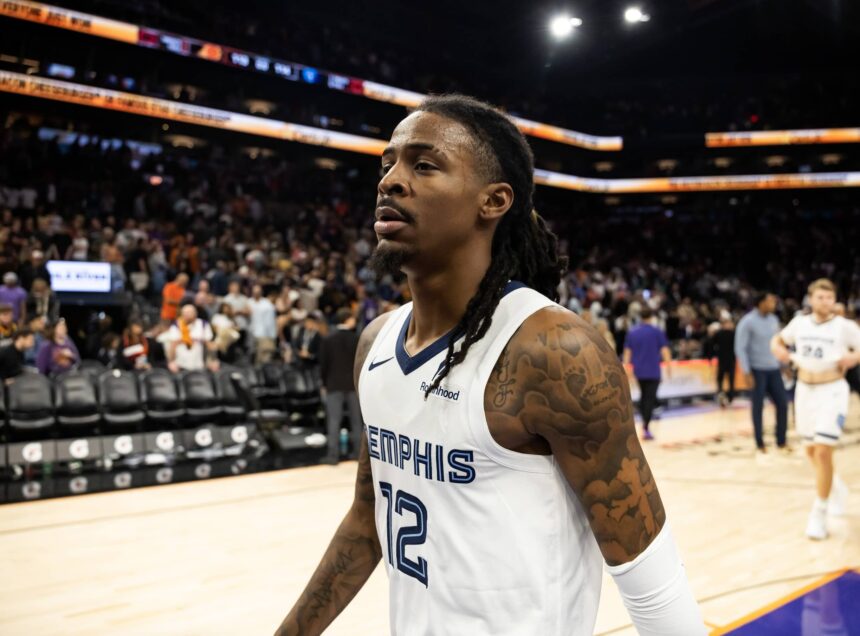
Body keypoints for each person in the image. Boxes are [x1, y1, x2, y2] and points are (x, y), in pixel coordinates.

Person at [276, 95, 704, 636]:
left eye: (424, 165)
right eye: (388, 164)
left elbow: (649, 578)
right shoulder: (376, 342)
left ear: (493, 200)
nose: (390, 181)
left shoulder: (552, 351)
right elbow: (368, 524)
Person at [771, 279, 860, 540]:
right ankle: (836, 487)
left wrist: (852, 358)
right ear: (811, 299)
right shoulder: (799, 323)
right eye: (820, 297)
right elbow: (778, 340)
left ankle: (819, 513)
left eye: (830, 298)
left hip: (832, 390)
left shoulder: (844, 326)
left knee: (822, 451)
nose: (826, 302)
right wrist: (778, 350)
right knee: (811, 450)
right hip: (804, 391)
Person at [735, 292, 789, 454]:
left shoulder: (774, 320)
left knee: (783, 404)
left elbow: (777, 345)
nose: (773, 304)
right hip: (757, 370)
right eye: (770, 301)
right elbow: (740, 347)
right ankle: (760, 443)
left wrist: (783, 364)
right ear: (760, 303)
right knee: (758, 407)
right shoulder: (747, 321)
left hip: (773, 369)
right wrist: (746, 371)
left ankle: (781, 441)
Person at [319, 307, 362, 464]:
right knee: (356, 421)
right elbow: (360, 363)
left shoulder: (328, 339)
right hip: (353, 384)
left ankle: (333, 456)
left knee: (334, 420)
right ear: (347, 319)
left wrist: (324, 383)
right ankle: (358, 453)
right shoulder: (357, 338)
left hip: (334, 384)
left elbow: (323, 365)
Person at [623, 306, 672, 440]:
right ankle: (646, 426)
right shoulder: (657, 332)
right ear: (652, 317)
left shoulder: (633, 333)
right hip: (653, 371)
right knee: (649, 398)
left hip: (639, 371)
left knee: (645, 396)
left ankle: (644, 423)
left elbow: (627, 353)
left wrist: (627, 368)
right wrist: (668, 367)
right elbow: (665, 351)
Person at [165, 303, 217, 372]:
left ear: (195, 313)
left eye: (190, 312)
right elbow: (172, 345)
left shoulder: (203, 324)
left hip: (199, 364)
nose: (187, 314)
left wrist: (213, 360)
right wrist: (171, 362)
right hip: (180, 364)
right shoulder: (176, 325)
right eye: (185, 312)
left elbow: (209, 344)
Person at [710, 315, 737, 406]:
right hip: (725, 360)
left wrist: (713, 354)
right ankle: (724, 396)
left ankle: (728, 396)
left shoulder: (730, 334)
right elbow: (711, 344)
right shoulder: (728, 333)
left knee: (727, 379)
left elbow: (711, 344)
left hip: (727, 359)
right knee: (724, 379)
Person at [248, 284, 277, 364]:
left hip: (264, 334)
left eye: (258, 292)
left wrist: (272, 336)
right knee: (252, 355)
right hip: (252, 333)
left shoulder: (267, 305)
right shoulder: (249, 302)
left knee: (264, 358)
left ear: (261, 293)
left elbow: (271, 322)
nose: (256, 294)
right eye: (254, 292)